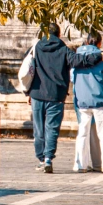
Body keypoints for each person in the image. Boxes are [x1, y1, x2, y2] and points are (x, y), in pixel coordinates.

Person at [24, 23, 72, 173]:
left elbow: (28, 70)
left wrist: (27, 92)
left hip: (37, 94)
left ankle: (41, 158)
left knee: (39, 129)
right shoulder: (64, 49)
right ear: (59, 35)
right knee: (52, 129)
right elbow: (77, 61)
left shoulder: (36, 47)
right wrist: (98, 56)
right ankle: (48, 159)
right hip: (56, 95)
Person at [70, 31, 103, 173]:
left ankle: (81, 164)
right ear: (99, 43)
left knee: (83, 133)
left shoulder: (77, 56)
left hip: (82, 99)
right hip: (99, 98)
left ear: (87, 41)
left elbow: (72, 77)